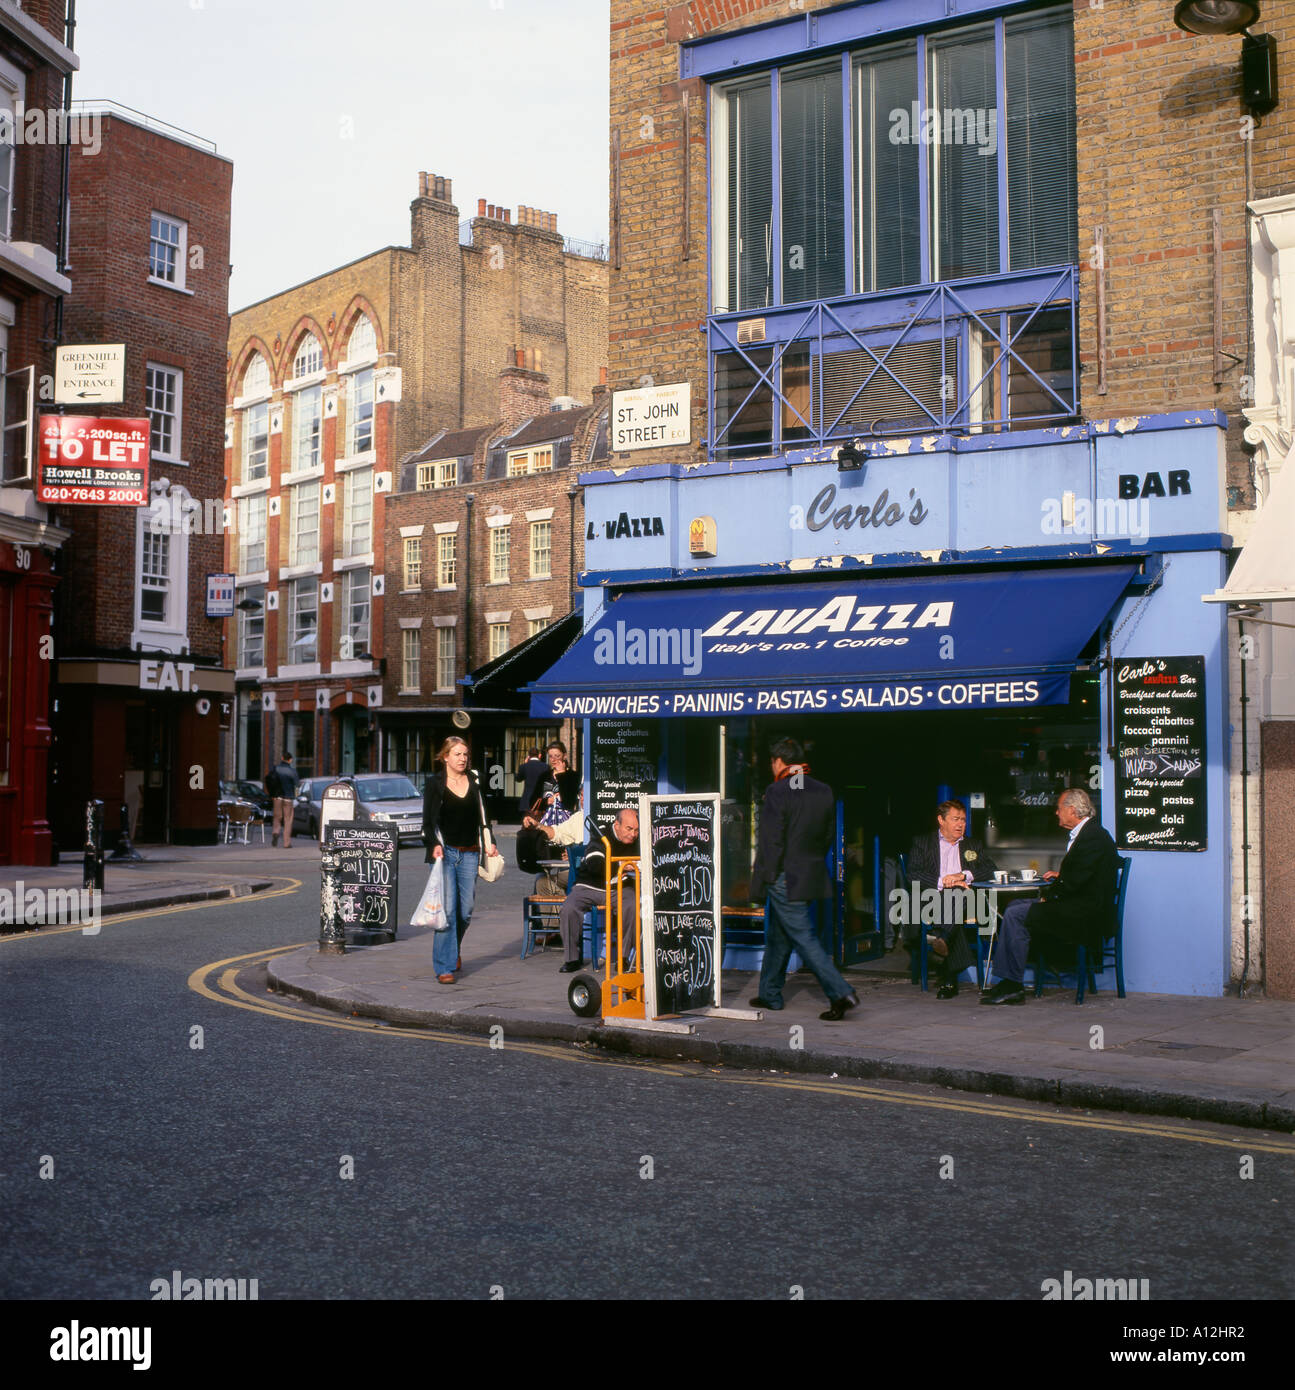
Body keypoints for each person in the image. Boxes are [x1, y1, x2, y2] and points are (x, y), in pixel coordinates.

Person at [748, 737, 860, 1022]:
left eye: (772, 763)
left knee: (803, 936)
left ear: (778, 761)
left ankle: (841, 992)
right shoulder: (823, 791)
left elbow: (771, 843)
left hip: (784, 875)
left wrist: (764, 880)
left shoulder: (777, 791)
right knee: (779, 933)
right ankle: (770, 993)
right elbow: (826, 837)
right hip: (810, 873)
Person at [981, 787, 1120, 1005]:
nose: (1056, 813)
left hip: (1084, 914)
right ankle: (1009, 981)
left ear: (1072, 810)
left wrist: (1050, 896)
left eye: (1059, 808)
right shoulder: (1090, 834)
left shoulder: (1092, 837)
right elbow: (1081, 875)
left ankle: (1012, 985)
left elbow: (1076, 882)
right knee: (1015, 906)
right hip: (1078, 905)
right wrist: (1060, 876)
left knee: (1016, 913)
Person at [421, 736, 502, 984]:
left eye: (465, 754)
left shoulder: (475, 782)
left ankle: (453, 949)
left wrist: (491, 842)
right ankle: (444, 966)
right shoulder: (435, 784)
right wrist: (434, 845)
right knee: (447, 910)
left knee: (465, 911)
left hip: (471, 852)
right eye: (457, 754)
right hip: (446, 853)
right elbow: (427, 823)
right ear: (445, 756)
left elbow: (483, 817)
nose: (463, 758)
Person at [524, 806, 640, 974]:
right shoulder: (600, 836)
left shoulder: (638, 839)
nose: (633, 834)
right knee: (569, 908)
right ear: (617, 825)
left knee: (632, 906)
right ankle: (572, 959)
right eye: (629, 829)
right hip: (590, 885)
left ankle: (623, 957)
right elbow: (595, 864)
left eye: (636, 830)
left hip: (619, 887)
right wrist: (623, 864)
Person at [906, 799, 998, 999]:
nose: (961, 824)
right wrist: (942, 882)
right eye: (956, 819)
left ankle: (942, 941)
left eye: (963, 820)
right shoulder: (922, 843)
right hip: (932, 898)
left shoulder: (972, 844)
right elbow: (913, 874)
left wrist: (963, 875)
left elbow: (992, 870)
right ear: (941, 820)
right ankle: (946, 957)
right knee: (951, 902)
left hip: (964, 899)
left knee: (959, 893)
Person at [537, 741, 581, 827]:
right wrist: (547, 801)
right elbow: (532, 801)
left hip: (567, 824)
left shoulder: (573, 776)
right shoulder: (544, 776)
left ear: (564, 756)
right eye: (550, 756)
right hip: (545, 823)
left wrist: (561, 774)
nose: (553, 759)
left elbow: (570, 802)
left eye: (557, 756)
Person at [266, 753, 297, 847]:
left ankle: (275, 833)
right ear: (290, 760)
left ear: (282, 758)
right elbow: (296, 785)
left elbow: (269, 780)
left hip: (277, 797)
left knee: (277, 817)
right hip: (288, 798)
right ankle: (286, 843)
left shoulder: (275, 769)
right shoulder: (292, 771)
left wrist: (272, 794)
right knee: (288, 820)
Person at [518, 747, 547, 819]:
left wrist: (525, 764)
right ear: (539, 755)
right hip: (541, 799)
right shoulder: (546, 767)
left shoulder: (523, 766)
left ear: (529, 756)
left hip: (527, 799)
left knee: (527, 823)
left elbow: (518, 779)